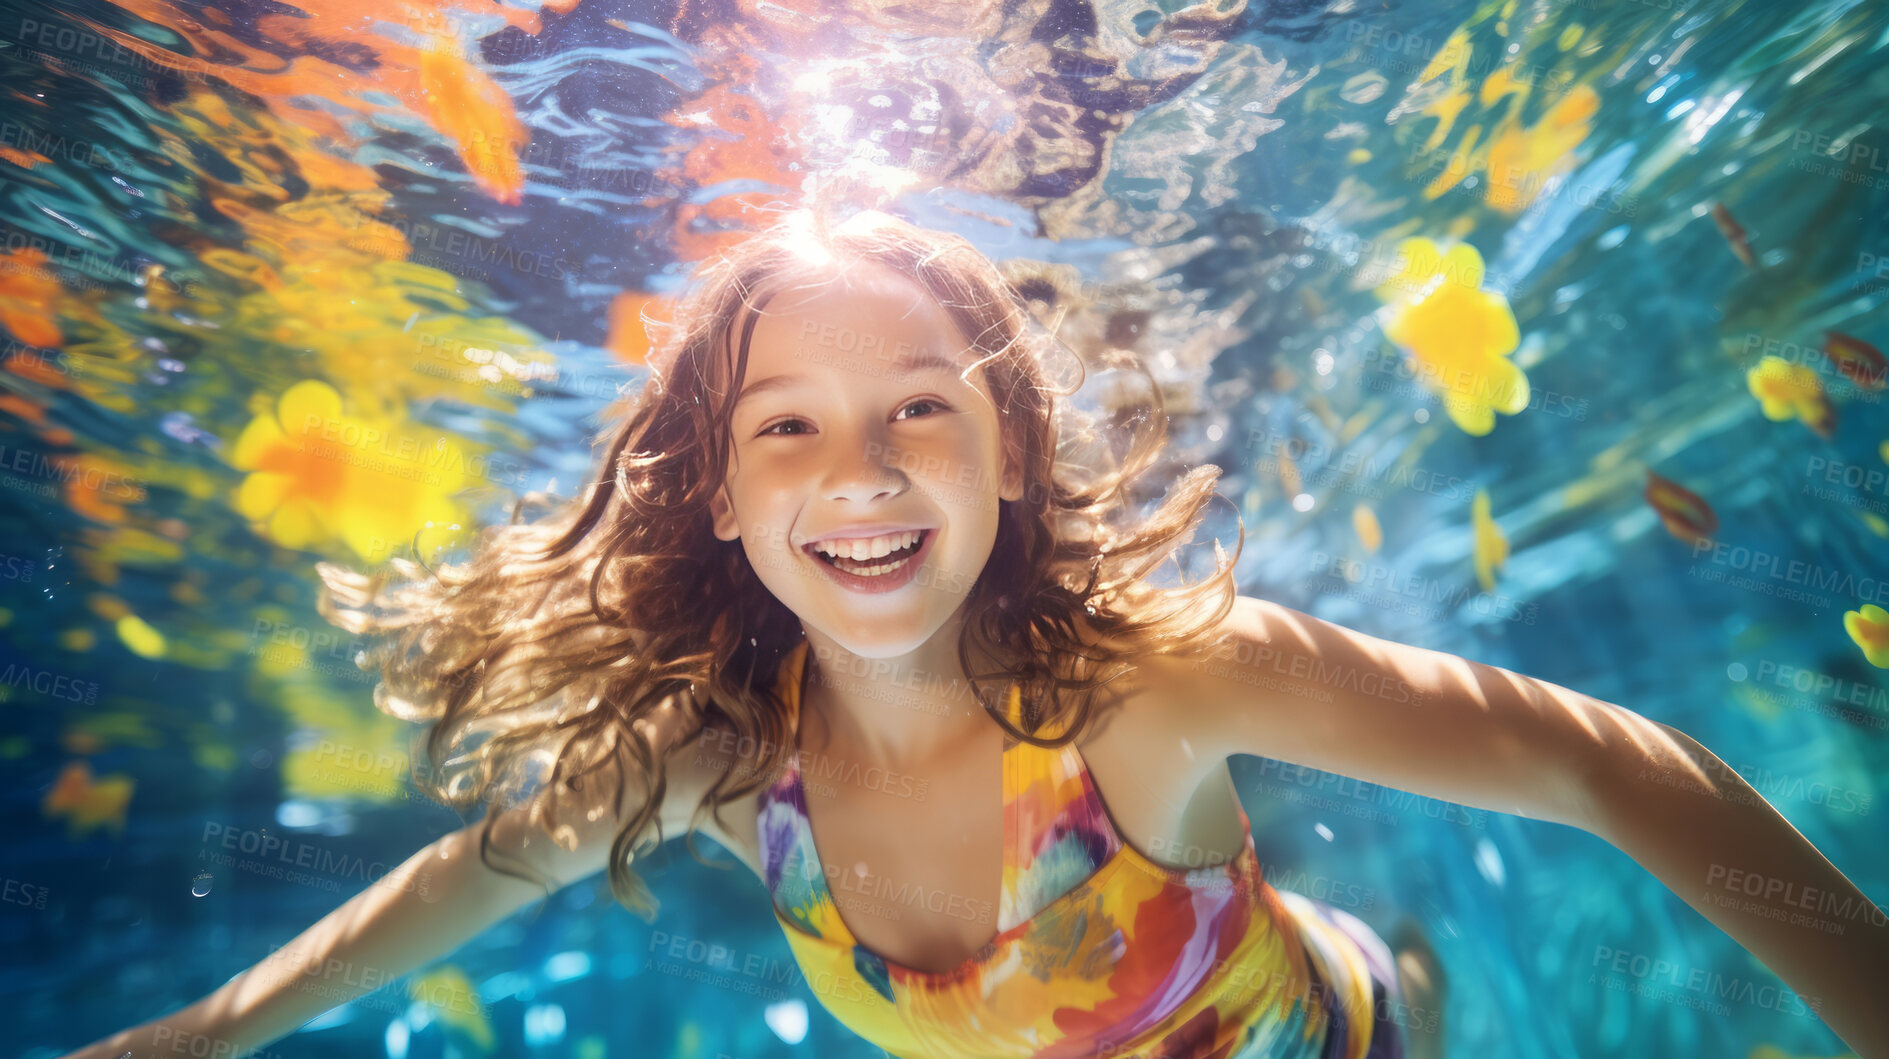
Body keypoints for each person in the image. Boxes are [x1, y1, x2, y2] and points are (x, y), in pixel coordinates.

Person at [63, 209, 1888, 1059]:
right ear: (716, 491)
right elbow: (475, 872)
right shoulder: (723, 763)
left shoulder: (1145, 688)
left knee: (1410, 990)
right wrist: (206, 1035)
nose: (857, 472)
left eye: (919, 408)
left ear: (1006, 450)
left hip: (1349, 1036)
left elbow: (1599, 761)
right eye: (786, 424)